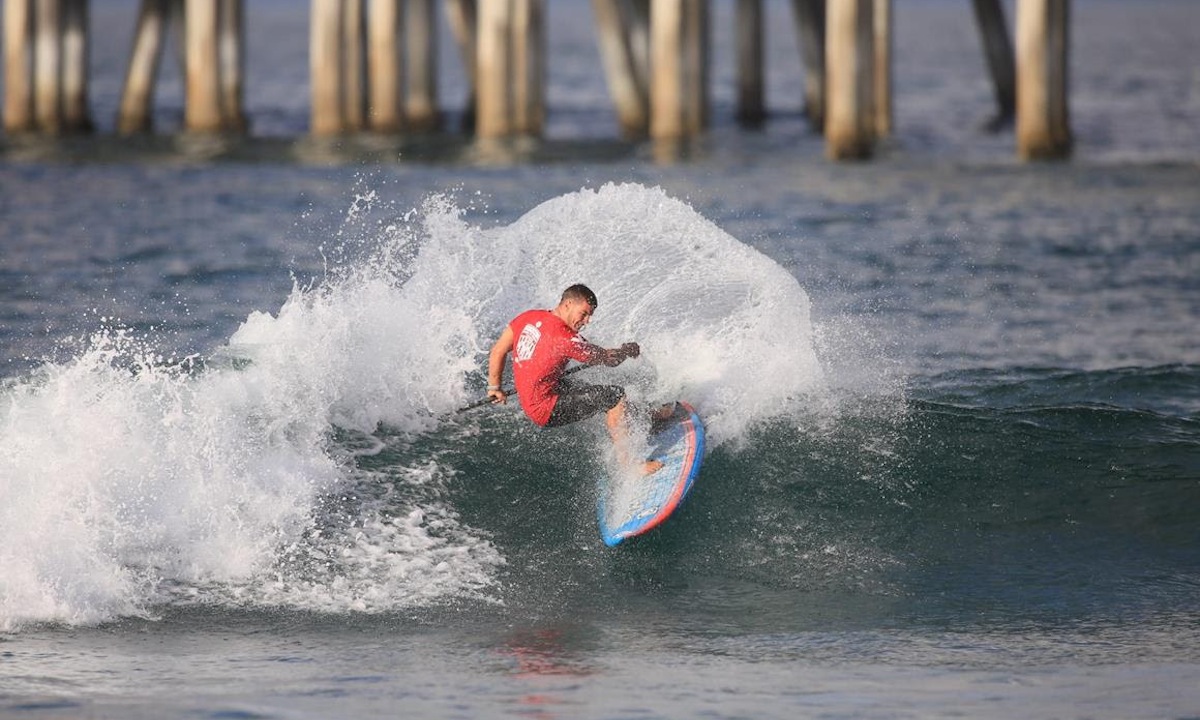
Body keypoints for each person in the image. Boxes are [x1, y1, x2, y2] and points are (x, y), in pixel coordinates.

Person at [486, 284, 664, 474]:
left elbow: (498, 350)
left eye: (590, 316)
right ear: (568, 304)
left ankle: (644, 419)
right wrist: (626, 350)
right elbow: (610, 360)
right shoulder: (565, 338)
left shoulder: (529, 317)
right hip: (546, 408)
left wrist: (494, 387)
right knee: (614, 397)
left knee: (595, 393)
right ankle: (630, 466)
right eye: (584, 314)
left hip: (549, 388)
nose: (587, 321)